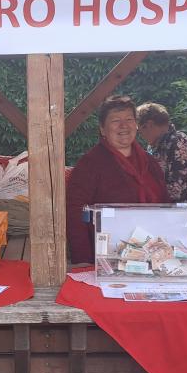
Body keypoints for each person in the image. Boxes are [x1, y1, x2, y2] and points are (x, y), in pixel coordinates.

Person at [66, 95, 168, 263]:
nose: (124, 125)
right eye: (115, 121)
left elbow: (165, 205)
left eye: (129, 119)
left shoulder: (150, 162)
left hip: (150, 256)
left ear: (136, 124)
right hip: (106, 259)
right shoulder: (89, 164)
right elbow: (75, 213)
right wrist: (84, 261)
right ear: (102, 129)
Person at [136, 102, 187, 205]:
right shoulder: (155, 146)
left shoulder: (179, 142)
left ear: (149, 125)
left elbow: (178, 190)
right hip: (161, 208)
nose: (140, 136)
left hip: (179, 210)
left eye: (140, 131)